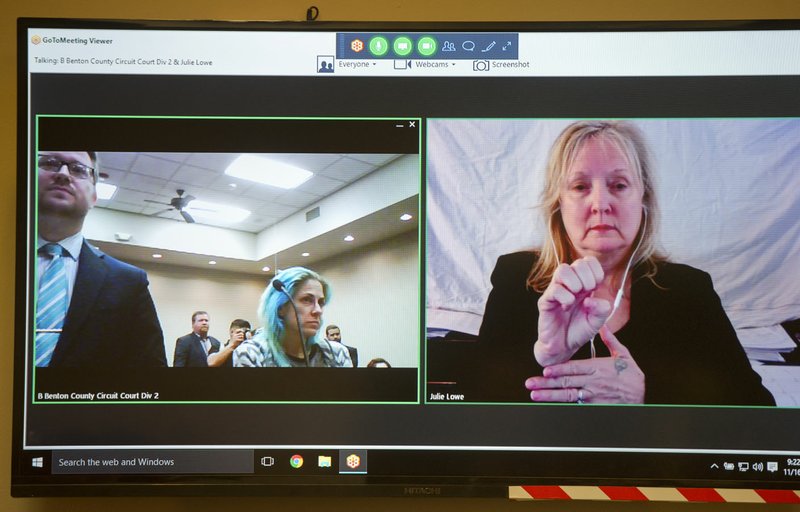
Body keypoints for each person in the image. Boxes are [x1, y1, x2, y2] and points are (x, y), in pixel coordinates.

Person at [475, 121, 774, 405]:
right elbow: (478, 405)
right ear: (558, 202)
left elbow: (757, 408)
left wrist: (646, 392)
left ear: (643, 198)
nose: (601, 203)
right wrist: (546, 357)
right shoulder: (515, 278)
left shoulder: (690, 290)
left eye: (618, 185)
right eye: (580, 187)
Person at [35, 151, 166, 367]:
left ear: (94, 196)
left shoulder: (129, 282)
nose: (63, 174)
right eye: (49, 163)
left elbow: (151, 372)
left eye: (78, 169)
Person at [234, 267, 353, 367]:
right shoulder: (252, 354)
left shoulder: (337, 353)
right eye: (306, 300)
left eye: (321, 302)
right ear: (280, 308)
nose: (318, 310)